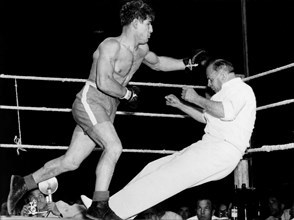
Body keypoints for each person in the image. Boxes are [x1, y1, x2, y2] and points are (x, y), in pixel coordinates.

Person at [6, 0, 209, 219]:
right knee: (114, 147)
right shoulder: (110, 46)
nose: (151, 30)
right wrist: (128, 94)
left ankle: (23, 183)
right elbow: (103, 81)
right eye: (148, 24)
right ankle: (99, 205)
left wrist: (187, 63)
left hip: (108, 107)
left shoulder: (142, 50)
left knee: (71, 162)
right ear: (136, 22)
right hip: (91, 100)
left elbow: (158, 63)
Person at [82, 58, 255, 219]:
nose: (209, 84)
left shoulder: (241, 89)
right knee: (154, 168)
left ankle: (113, 213)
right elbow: (206, 118)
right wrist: (180, 105)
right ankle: (107, 206)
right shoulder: (225, 94)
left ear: (222, 74)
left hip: (222, 150)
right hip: (210, 147)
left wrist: (196, 98)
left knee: (166, 179)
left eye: (210, 79)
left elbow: (226, 112)